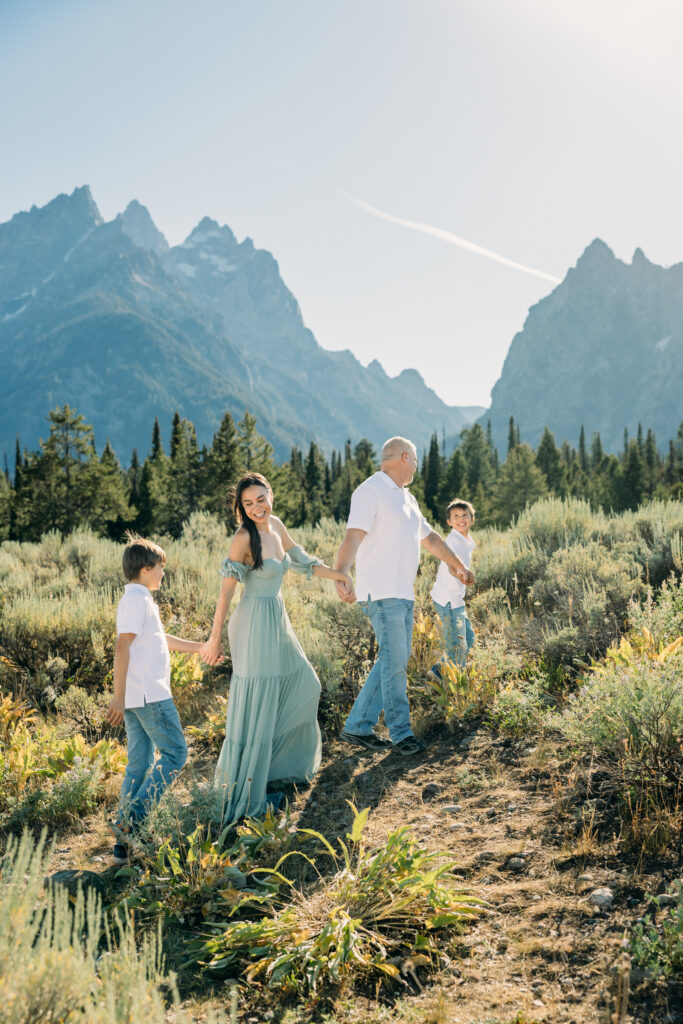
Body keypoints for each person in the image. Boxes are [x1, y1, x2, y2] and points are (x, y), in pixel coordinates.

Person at [201, 472, 353, 823]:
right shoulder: (243, 538)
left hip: (276, 618)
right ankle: (246, 787)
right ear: (240, 507)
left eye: (261, 499)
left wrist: (341, 576)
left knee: (306, 683)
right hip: (253, 622)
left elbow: (303, 561)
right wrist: (214, 636)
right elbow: (226, 592)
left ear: (271, 495)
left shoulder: (277, 526)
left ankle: (271, 767)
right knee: (259, 697)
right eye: (248, 503)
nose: (257, 508)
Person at [334, 436, 475, 756]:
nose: (418, 466)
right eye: (415, 460)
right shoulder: (370, 490)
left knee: (392, 659)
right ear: (404, 456)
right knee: (395, 661)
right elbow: (352, 536)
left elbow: (432, 538)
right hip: (381, 593)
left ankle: (357, 725)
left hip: (403, 593)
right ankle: (401, 733)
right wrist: (340, 573)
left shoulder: (408, 499)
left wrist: (457, 565)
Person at [105, 536, 203, 864]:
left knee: (139, 764)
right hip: (149, 695)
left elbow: (160, 639)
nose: (163, 574)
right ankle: (132, 824)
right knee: (176, 753)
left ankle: (123, 846)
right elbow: (122, 646)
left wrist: (199, 648)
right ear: (146, 569)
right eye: (161, 569)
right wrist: (117, 698)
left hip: (138, 697)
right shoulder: (138, 601)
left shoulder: (140, 599)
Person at [428, 499, 476, 681]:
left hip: (456, 599)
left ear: (472, 519)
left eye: (465, 515)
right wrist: (462, 575)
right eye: (455, 516)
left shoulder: (467, 541)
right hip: (448, 599)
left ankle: (439, 670)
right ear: (449, 522)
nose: (460, 519)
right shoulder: (452, 541)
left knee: (468, 638)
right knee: (457, 646)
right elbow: (450, 566)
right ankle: (455, 686)